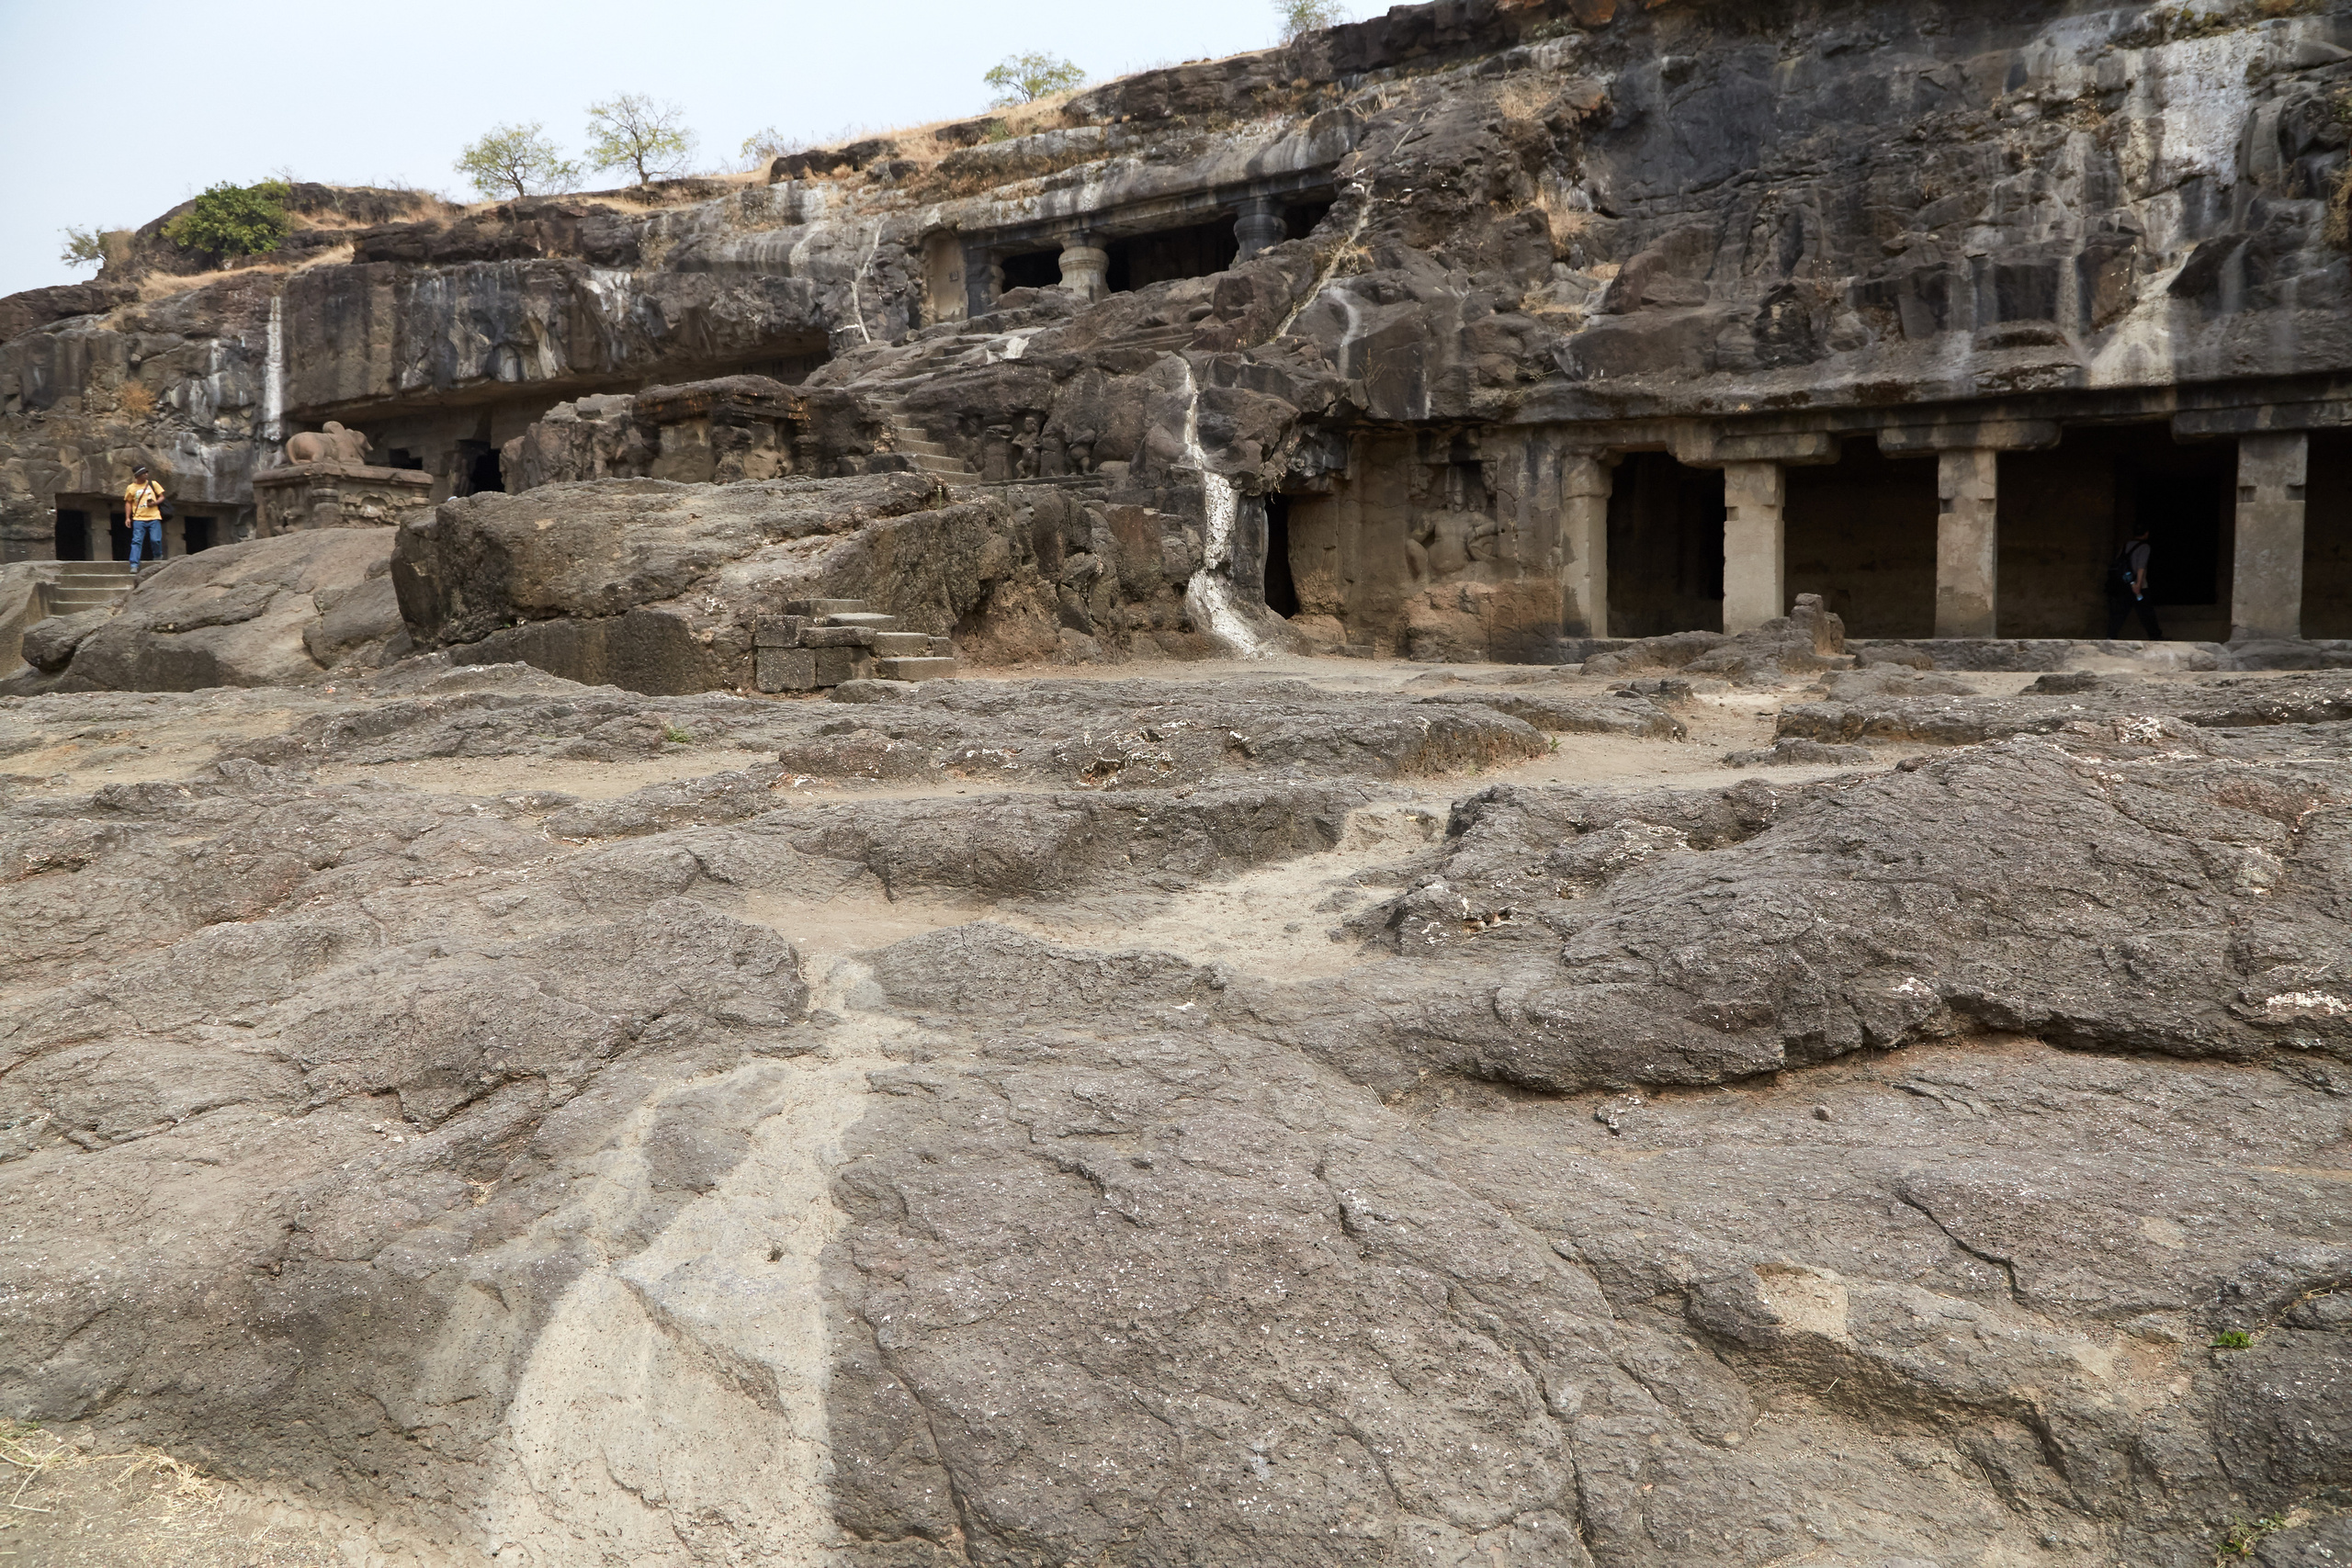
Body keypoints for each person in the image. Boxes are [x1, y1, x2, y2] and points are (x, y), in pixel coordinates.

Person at [2105, 525, 2163, 640]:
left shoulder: (2125, 545)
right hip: (2138, 586)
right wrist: (2139, 584)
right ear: (2146, 534)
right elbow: (2141, 566)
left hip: (2125, 584)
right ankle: (2155, 636)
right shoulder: (2144, 547)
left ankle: (2111, 635)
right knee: (2146, 611)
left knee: (2121, 611)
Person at [122, 465, 166, 577]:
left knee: (155, 540)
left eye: (146, 472)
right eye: (143, 473)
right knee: (136, 541)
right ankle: (134, 564)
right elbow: (128, 502)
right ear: (138, 476)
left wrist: (155, 503)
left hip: (154, 517)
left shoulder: (153, 484)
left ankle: (157, 555)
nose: (146, 474)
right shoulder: (131, 488)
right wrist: (128, 517)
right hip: (138, 518)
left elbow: (162, 497)